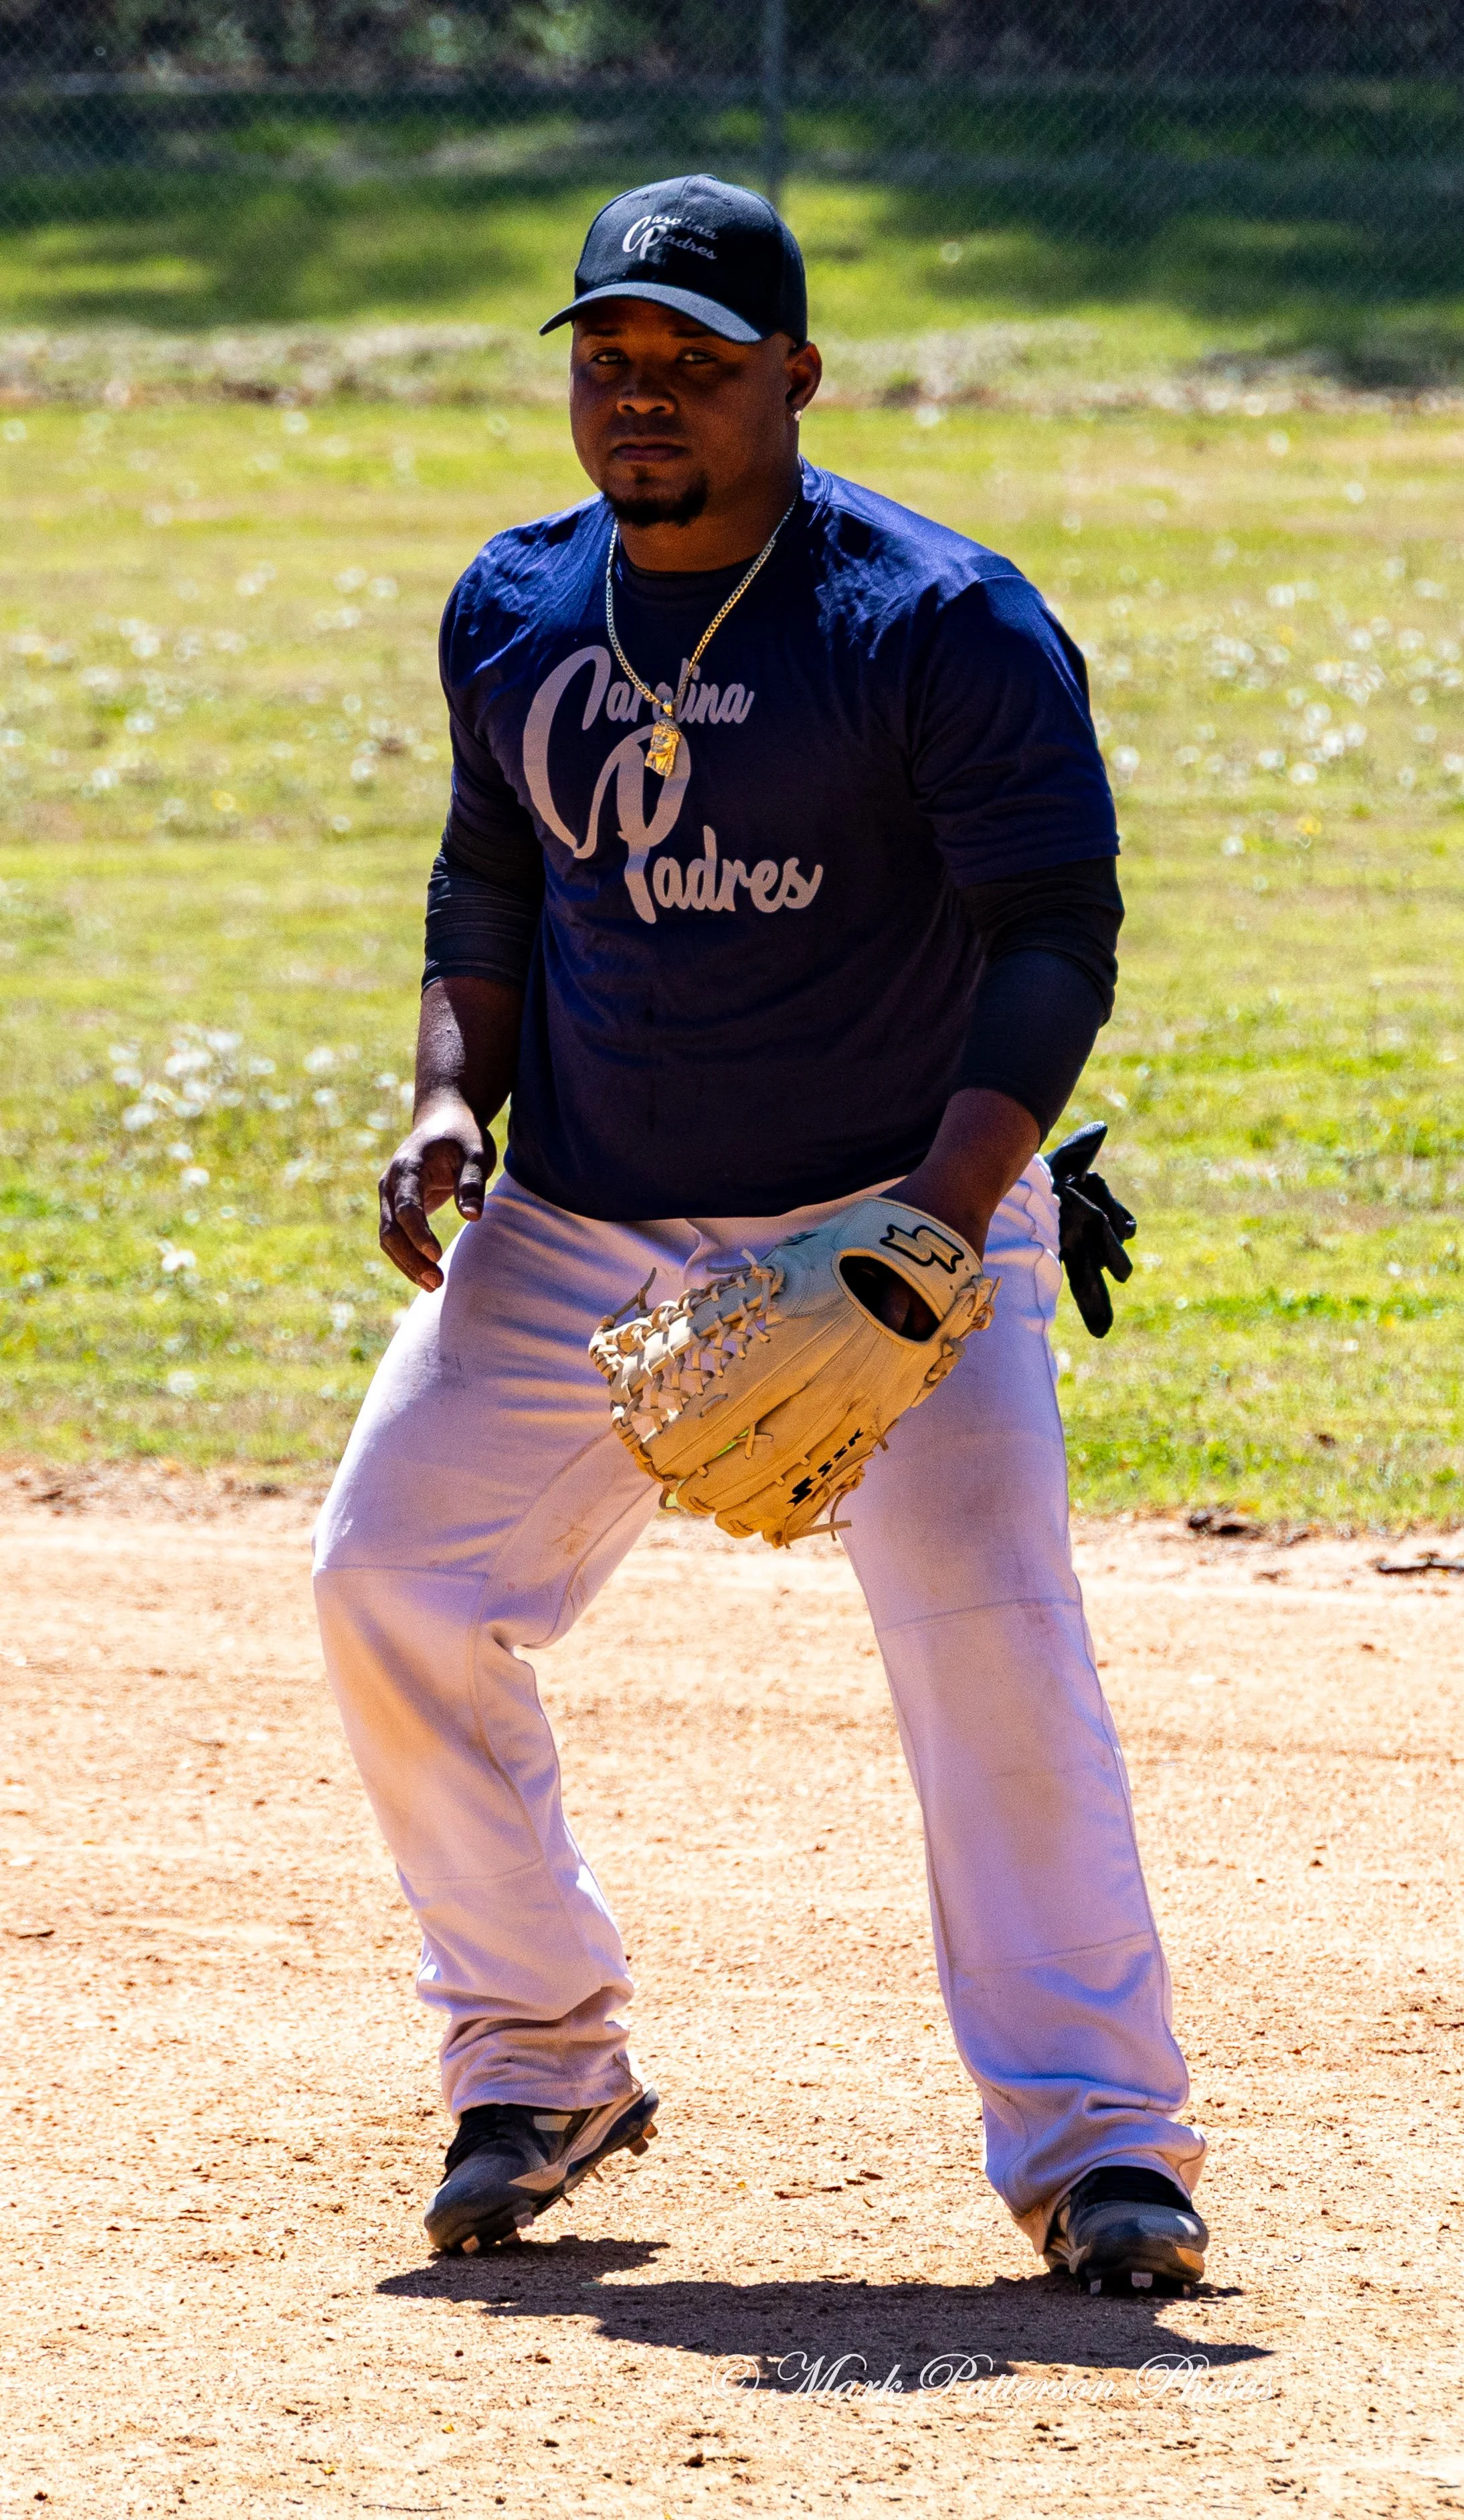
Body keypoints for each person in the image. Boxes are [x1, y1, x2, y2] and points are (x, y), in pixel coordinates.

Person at [312, 173, 1208, 2292]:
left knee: (989, 1639)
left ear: (793, 379)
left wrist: (942, 1219)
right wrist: (452, 1091)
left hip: (901, 1212)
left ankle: (1100, 2145)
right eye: (611, 362)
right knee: (387, 1582)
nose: (645, 399)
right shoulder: (517, 605)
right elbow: (488, 876)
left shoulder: (933, 619)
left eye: (696, 366)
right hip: (581, 1211)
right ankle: (537, 2057)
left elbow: (1051, 933)